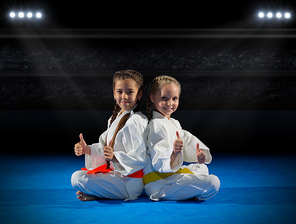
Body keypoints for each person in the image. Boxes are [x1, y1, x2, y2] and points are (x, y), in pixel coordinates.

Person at [71, 70, 148, 201]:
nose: (124, 96)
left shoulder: (136, 121)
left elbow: (140, 159)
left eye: (130, 92)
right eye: (119, 91)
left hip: (129, 183)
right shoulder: (116, 117)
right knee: (78, 176)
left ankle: (101, 193)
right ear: (113, 93)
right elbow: (105, 148)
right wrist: (87, 149)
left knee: (77, 178)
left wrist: (115, 157)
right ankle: (100, 193)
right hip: (117, 176)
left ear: (139, 94)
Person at [144, 75, 220, 201]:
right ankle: (191, 193)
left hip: (172, 177)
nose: (170, 103)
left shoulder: (174, 122)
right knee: (213, 182)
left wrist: (199, 154)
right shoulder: (155, 124)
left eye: (174, 98)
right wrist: (173, 153)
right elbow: (158, 156)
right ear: (152, 97)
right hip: (159, 183)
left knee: (202, 168)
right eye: (164, 98)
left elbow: (188, 140)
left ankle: (188, 191)